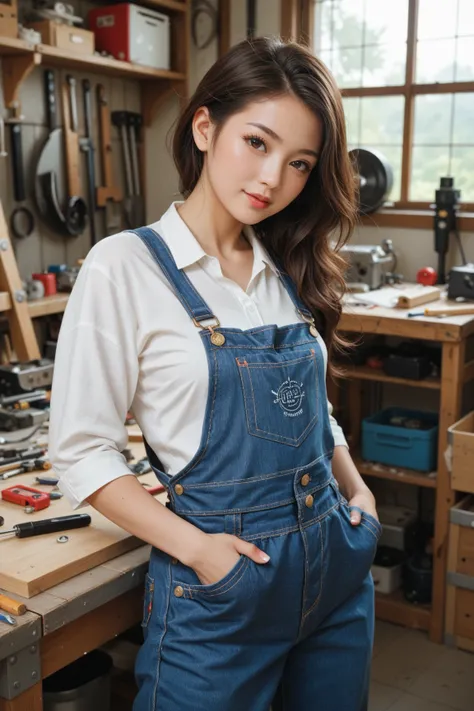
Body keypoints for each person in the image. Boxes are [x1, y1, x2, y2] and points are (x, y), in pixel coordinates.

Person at [49, 36, 381, 711]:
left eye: (298, 163)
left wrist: (359, 494)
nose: (272, 180)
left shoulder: (287, 264)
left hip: (337, 576)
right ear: (205, 126)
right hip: (226, 594)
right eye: (256, 143)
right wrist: (202, 554)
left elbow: (313, 410)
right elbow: (81, 452)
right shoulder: (124, 267)